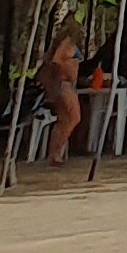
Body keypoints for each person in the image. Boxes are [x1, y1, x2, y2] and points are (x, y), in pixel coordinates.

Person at [36, 27, 84, 165]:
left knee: (65, 120)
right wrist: (63, 73)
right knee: (73, 118)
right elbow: (56, 61)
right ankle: (55, 153)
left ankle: (55, 153)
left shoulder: (66, 44)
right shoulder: (66, 43)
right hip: (64, 83)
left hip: (66, 83)